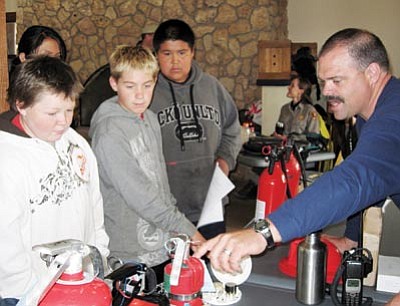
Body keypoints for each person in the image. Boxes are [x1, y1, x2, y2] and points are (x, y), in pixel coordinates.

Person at [194, 28, 400, 306]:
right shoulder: (372, 113)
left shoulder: (394, 117)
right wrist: (352, 238)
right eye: (324, 81)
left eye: (337, 81)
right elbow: (373, 179)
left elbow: (356, 180)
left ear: (372, 73)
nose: (326, 91)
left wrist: (263, 233)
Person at [89, 45, 205, 280]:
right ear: (114, 84)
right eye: (130, 87)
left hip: (159, 245)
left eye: (147, 85)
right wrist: (189, 230)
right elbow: (141, 197)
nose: (140, 95)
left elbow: (160, 183)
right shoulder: (109, 132)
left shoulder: (150, 118)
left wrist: (176, 231)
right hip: (128, 250)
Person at [0, 56, 109, 301]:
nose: (63, 121)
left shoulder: (76, 143)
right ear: (22, 105)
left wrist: (98, 260)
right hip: (28, 294)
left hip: (80, 281)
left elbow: (95, 209)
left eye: (69, 110)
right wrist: (30, 294)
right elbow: (5, 244)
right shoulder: (6, 157)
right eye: (51, 113)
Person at [150, 19, 242, 239]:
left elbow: (232, 128)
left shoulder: (212, 88)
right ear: (156, 55)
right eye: (167, 54)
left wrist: (226, 161)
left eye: (182, 52)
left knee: (210, 264)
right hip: (166, 208)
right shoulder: (147, 93)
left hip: (210, 201)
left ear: (192, 52)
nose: (175, 61)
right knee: (172, 270)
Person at [236, 75, 321, 199]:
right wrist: (275, 136)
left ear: (301, 90)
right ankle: (258, 187)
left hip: (298, 151)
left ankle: (259, 188)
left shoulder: (309, 111)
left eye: (292, 86)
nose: (289, 88)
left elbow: (313, 137)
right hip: (282, 146)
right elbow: (279, 129)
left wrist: (289, 138)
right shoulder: (285, 109)